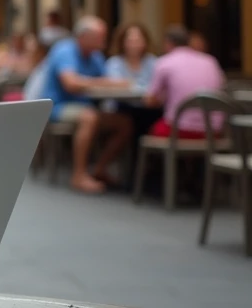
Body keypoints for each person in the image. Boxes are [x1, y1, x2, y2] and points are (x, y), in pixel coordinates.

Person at [43, 16, 134, 194]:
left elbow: (106, 80)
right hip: (57, 107)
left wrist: (108, 83)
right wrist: (109, 83)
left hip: (85, 106)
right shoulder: (64, 50)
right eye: (100, 37)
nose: (103, 41)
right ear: (84, 36)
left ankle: (100, 168)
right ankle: (78, 175)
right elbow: (71, 84)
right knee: (89, 117)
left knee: (125, 123)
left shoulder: (95, 56)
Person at [145, 25, 226, 139]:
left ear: (167, 43)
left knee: (151, 130)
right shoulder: (211, 61)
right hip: (213, 132)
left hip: (179, 130)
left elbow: (150, 101)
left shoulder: (165, 62)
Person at [104, 22, 158, 92]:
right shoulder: (114, 63)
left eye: (138, 41)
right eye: (130, 41)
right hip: (119, 101)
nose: (134, 45)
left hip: (146, 102)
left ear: (145, 42)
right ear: (122, 42)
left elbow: (157, 86)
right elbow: (113, 84)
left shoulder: (153, 62)